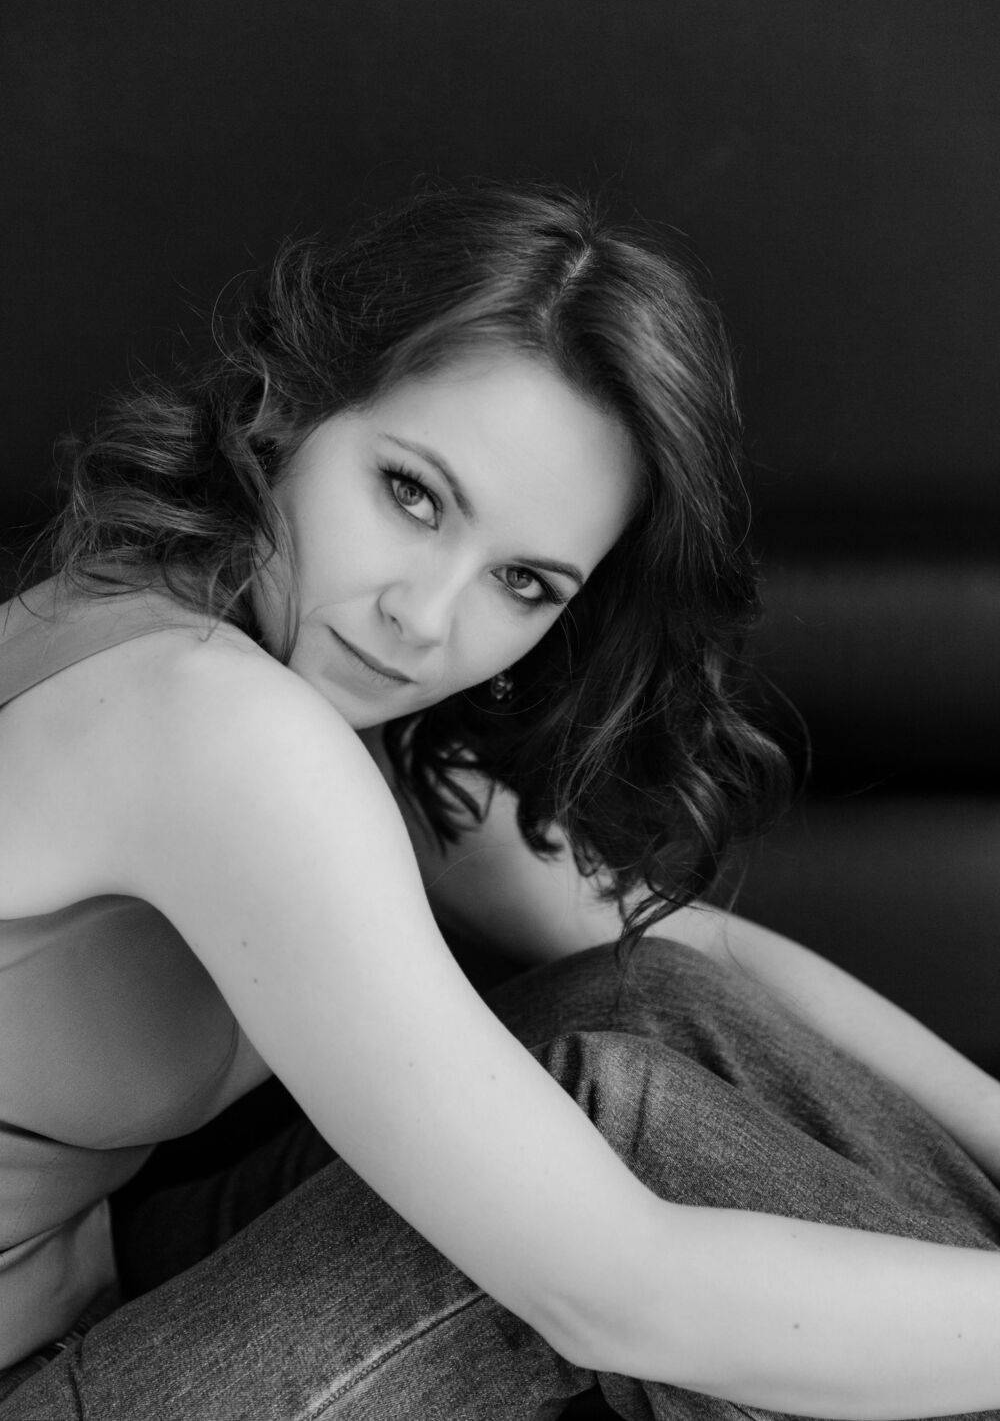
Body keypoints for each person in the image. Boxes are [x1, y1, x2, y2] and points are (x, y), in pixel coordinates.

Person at [2, 182, 1000, 1421]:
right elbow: (617, 1295)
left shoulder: (289, 673)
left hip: (111, 1294)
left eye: (522, 583)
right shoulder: (209, 724)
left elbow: (689, 952)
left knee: (646, 1006)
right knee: (611, 1163)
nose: (424, 620)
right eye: (411, 495)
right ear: (289, 410)